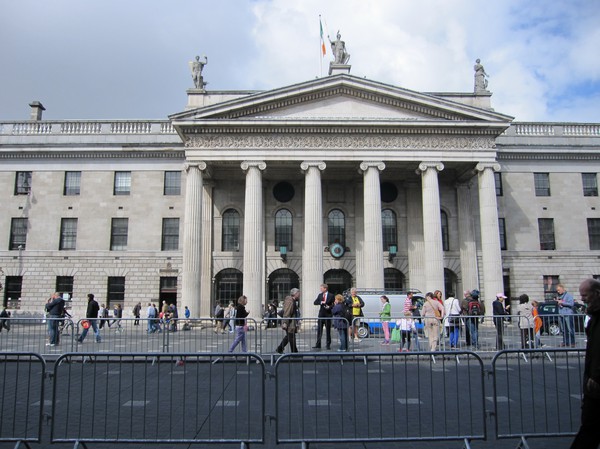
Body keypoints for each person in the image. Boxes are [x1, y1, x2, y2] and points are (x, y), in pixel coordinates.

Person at [570, 278, 600, 448]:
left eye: (585, 295)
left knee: (589, 430)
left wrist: (596, 375)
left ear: (597, 294)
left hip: (596, 382)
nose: (583, 299)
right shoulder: (594, 317)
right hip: (593, 382)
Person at [276, 288, 301, 354]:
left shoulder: (293, 301)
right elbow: (287, 312)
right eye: (298, 293)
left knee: (289, 337)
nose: (299, 295)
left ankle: (280, 348)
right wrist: (285, 323)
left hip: (291, 322)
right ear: (295, 294)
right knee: (291, 337)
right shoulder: (290, 301)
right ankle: (294, 352)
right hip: (289, 323)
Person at [313, 284, 335, 349]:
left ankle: (328, 344)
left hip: (328, 315)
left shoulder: (331, 295)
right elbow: (315, 302)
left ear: (325, 288)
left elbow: (334, 304)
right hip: (321, 315)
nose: (321, 289)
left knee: (328, 330)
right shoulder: (320, 295)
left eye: (321, 288)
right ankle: (318, 344)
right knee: (319, 330)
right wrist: (321, 302)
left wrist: (329, 307)